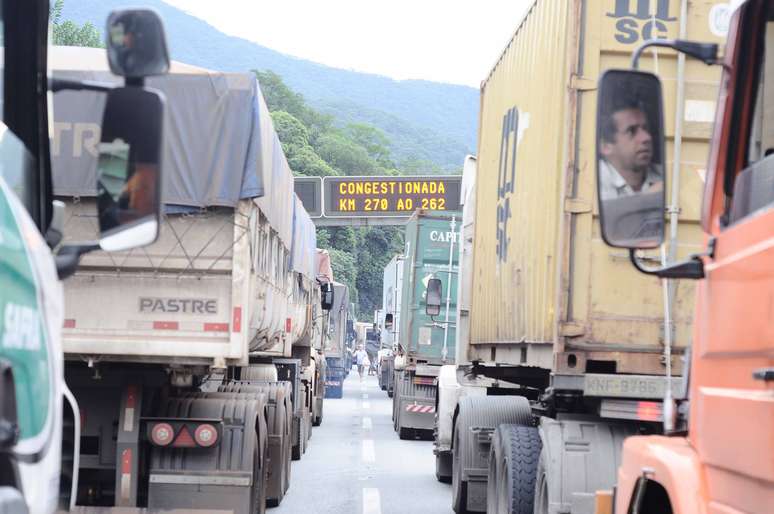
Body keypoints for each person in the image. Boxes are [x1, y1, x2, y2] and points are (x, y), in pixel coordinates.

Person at [598, 101, 663, 200]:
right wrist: (646, 199)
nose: (646, 137)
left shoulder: (664, 174)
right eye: (631, 131)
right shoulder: (594, 179)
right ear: (606, 146)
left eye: (645, 129)